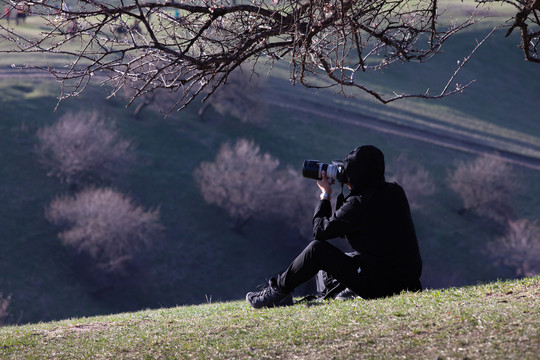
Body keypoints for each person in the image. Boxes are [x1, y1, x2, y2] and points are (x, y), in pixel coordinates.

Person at [246, 145, 423, 308]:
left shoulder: (359, 204)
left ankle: (276, 292)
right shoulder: (395, 192)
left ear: (355, 175)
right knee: (351, 258)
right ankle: (345, 292)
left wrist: (325, 195)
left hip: (379, 286)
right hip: (407, 281)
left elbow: (320, 232)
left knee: (317, 250)